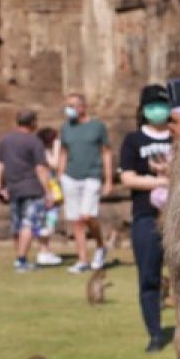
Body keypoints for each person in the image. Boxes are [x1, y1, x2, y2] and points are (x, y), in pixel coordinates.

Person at [119, 85, 173, 352]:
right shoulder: (133, 140)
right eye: (152, 106)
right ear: (143, 109)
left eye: (162, 105)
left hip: (179, 216)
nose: (158, 110)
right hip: (146, 215)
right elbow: (127, 178)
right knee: (149, 277)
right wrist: (161, 180)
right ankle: (155, 333)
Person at [0, 110, 55, 272]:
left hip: (13, 188)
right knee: (29, 224)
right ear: (33, 123)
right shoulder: (34, 142)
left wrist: (0, 187)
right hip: (32, 189)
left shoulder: (5, 141)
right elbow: (41, 169)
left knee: (18, 225)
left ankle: (20, 257)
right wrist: (48, 192)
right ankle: (21, 260)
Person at [59, 92, 112, 273]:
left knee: (87, 217)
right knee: (76, 221)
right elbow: (63, 153)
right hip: (70, 177)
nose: (69, 110)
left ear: (83, 107)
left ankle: (100, 246)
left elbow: (106, 152)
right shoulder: (65, 128)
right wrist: (60, 176)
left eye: (72, 105)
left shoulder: (97, 127)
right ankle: (82, 259)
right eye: (67, 106)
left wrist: (109, 180)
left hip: (92, 175)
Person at [33, 127, 65, 267]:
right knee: (47, 223)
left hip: (50, 188)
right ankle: (43, 252)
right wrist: (58, 147)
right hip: (47, 190)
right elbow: (54, 164)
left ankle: (45, 250)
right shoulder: (43, 152)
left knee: (48, 222)